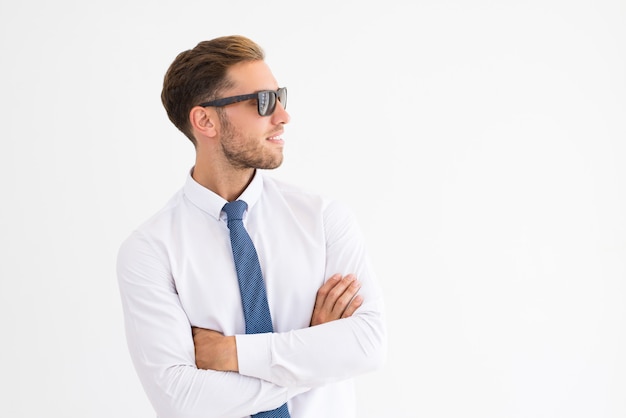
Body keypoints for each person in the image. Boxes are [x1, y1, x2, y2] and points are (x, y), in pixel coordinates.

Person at [116, 34, 387, 418]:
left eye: (281, 97)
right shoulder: (150, 250)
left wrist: (233, 354)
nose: (283, 116)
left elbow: (368, 346)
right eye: (263, 102)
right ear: (205, 120)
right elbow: (182, 401)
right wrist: (312, 350)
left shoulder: (324, 220)